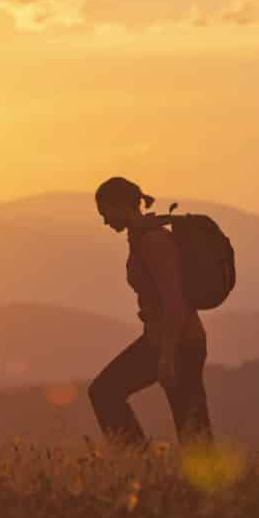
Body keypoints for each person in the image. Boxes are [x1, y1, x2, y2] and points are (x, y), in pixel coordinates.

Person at [89, 177, 212, 447]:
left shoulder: (153, 241)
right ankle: (142, 466)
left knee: (192, 427)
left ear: (121, 206)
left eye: (105, 212)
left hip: (179, 342)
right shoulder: (142, 237)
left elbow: (175, 303)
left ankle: (140, 464)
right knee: (192, 426)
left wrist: (167, 354)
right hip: (168, 340)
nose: (105, 221)